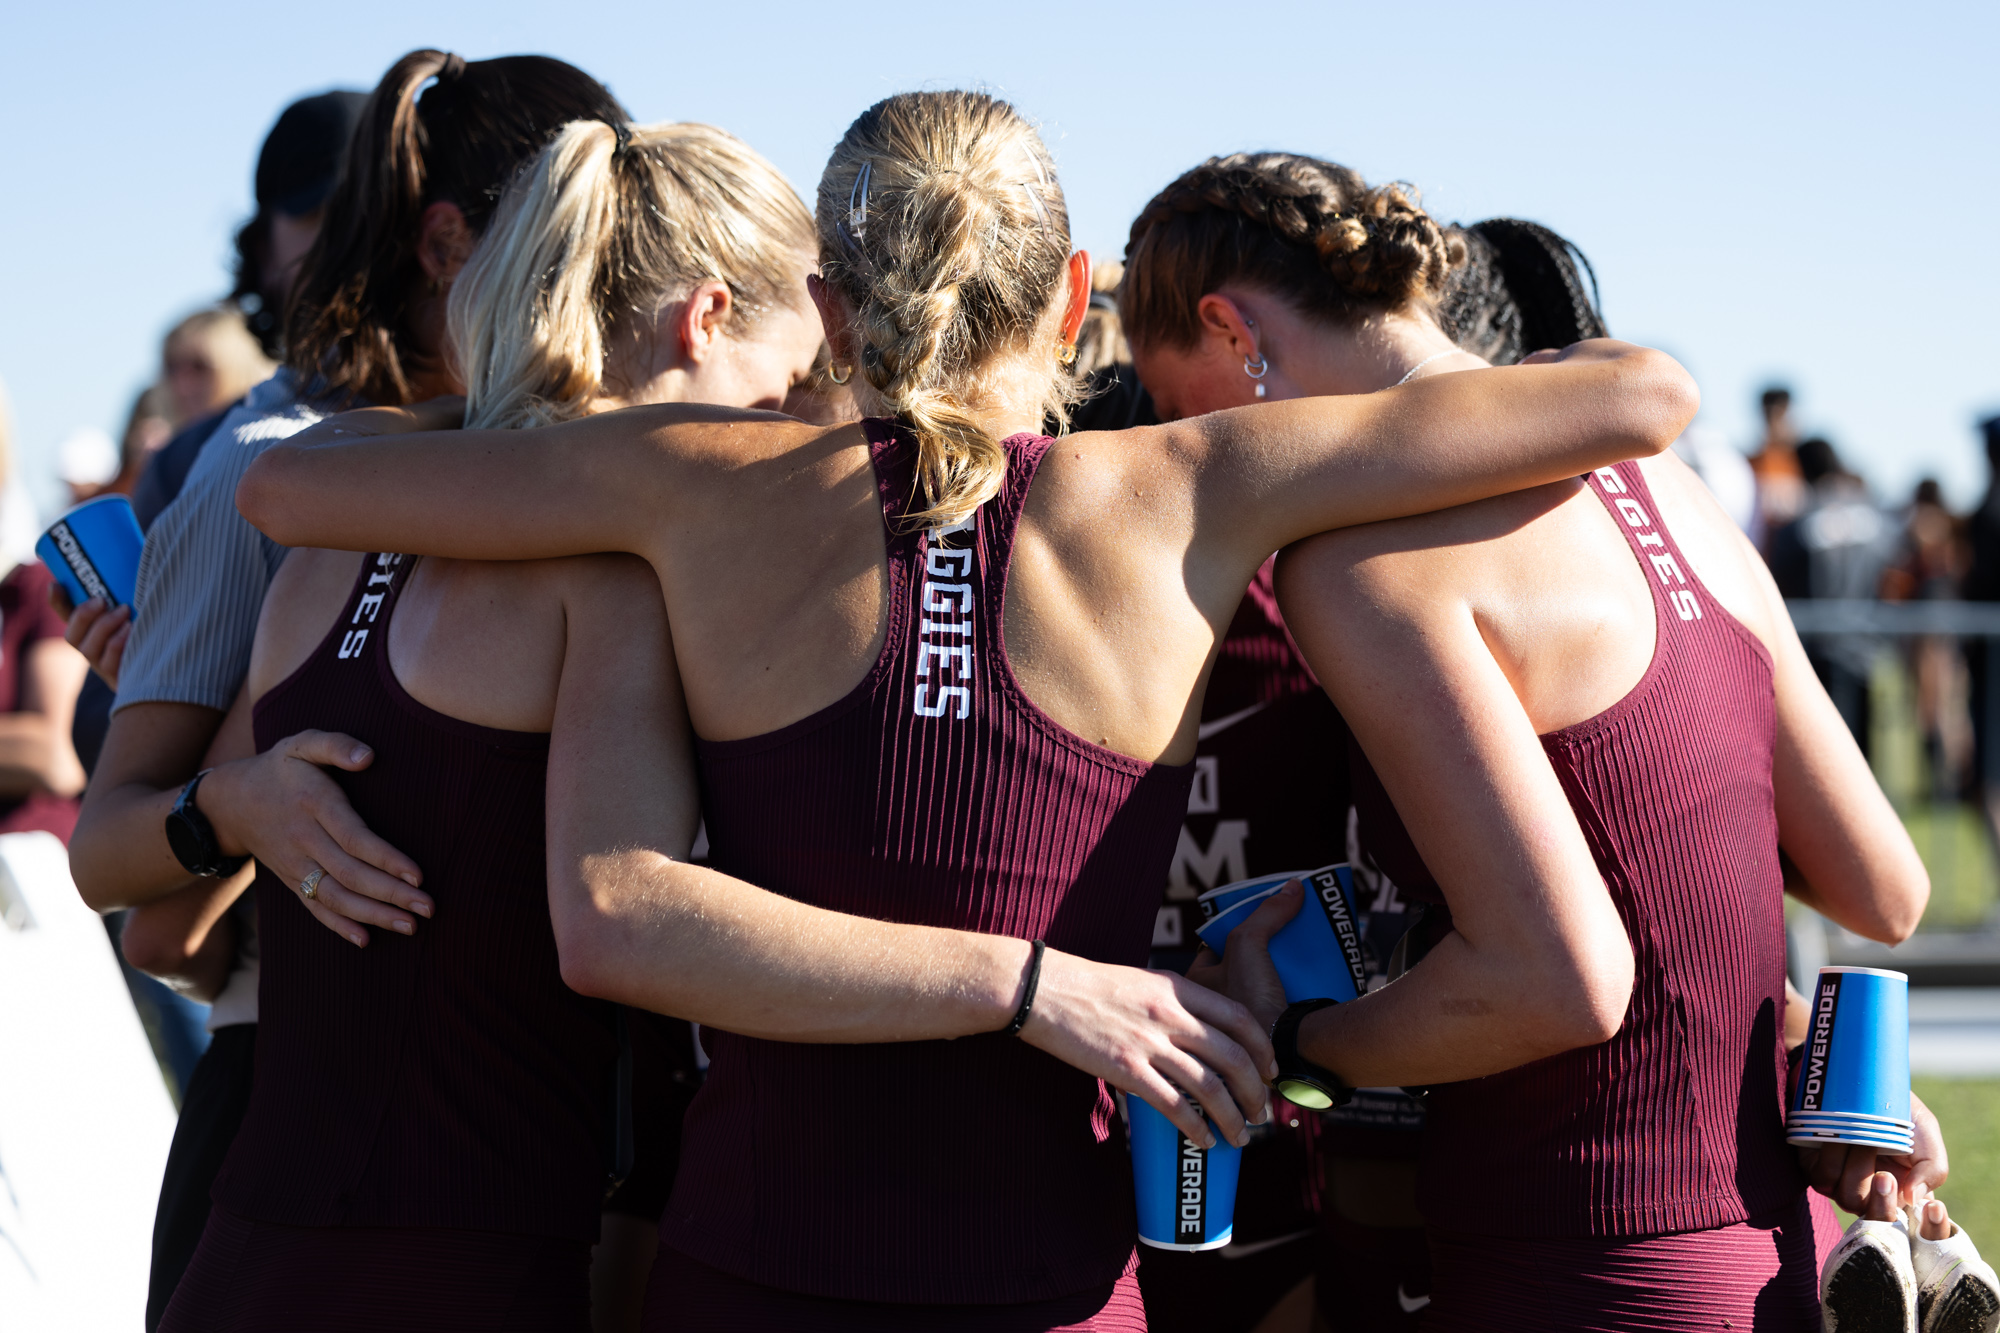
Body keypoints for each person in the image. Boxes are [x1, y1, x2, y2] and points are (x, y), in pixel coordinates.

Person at [238, 91, 1698, 1330]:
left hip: (746, 1271)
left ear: (825, 314)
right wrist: (1037, 983)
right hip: (1051, 1281)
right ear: (1075, 298)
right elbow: (1643, 396)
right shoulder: (1197, 482)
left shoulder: (684, 481)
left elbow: (287, 485)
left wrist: (556, 410)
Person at [1116, 151, 1925, 1329]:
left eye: (1188, 427)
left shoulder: (1358, 569)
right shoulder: (1671, 489)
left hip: (1575, 1257)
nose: (1203, 472)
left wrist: (1297, 1040)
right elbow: (1879, 882)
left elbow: (1559, 978)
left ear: (1232, 331)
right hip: (1773, 1252)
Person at [142, 115, 822, 1333]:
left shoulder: (325, 534)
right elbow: (618, 922)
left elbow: (162, 932)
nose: (791, 429)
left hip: (243, 1255)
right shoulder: (607, 577)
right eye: (787, 387)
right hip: (467, 1268)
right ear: (704, 318)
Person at [65, 50, 629, 1332]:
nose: (612, 294)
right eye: (582, 245)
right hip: (290, 1119)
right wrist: (243, 805)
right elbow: (129, 880)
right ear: (448, 246)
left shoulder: (559, 471)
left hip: (497, 1145)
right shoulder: (263, 475)